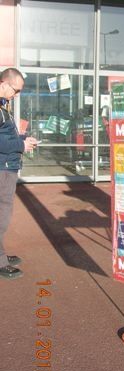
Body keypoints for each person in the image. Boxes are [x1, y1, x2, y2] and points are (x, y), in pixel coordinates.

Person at [0, 68, 38, 280]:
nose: (16, 96)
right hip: (2, 168)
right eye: (15, 90)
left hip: (6, 166)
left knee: (2, 216)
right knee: (1, 218)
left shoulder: (3, 105)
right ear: (4, 84)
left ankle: (1, 254)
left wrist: (22, 140)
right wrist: (21, 144)